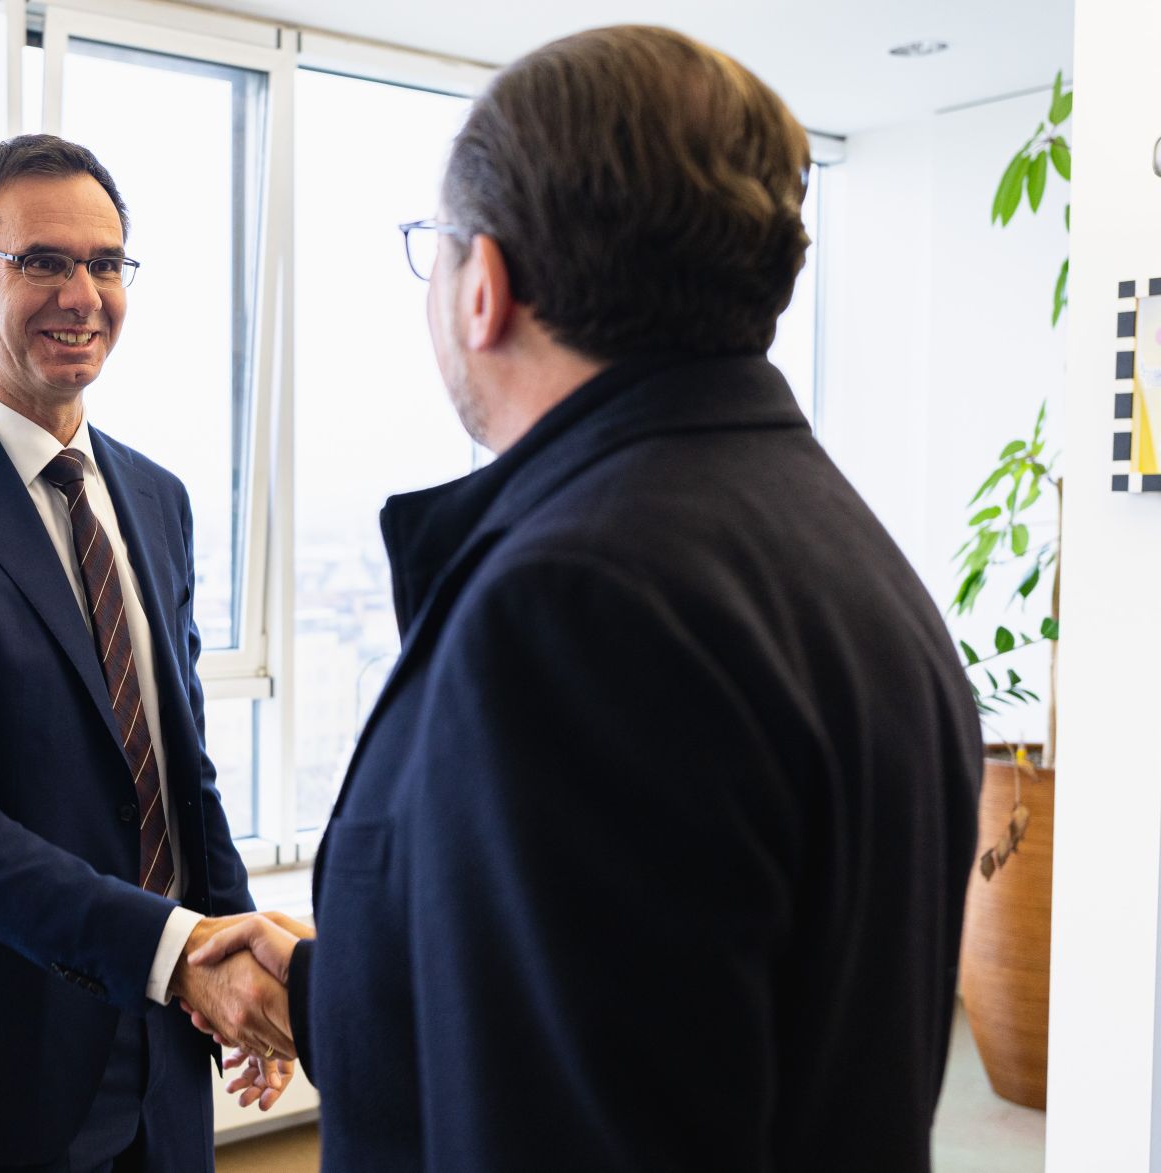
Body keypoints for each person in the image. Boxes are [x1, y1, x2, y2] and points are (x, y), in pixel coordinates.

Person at [190, 25, 981, 1171]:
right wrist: (323, 984)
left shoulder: (573, 610)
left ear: (484, 286)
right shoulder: (841, 545)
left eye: (435, 249)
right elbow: (674, 1008)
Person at [0, 134, 292, 1173]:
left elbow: (175, 771)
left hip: (164, 1046)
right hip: (1, 1061)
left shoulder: (156, 499)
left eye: (105, 262)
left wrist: (240, 952)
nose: (82, 293)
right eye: (42, 262)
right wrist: (180, 955)